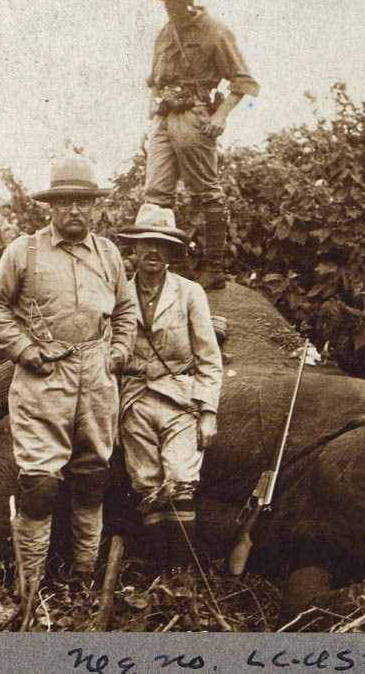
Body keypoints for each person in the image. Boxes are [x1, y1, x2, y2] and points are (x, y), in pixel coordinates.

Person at [0, 153, 137, 591]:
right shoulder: (24, 251)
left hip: (97, 376)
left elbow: (126, 310)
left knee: (91, 478)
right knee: (40, 486)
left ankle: (84, 574)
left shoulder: (108, 255)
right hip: (44, 377)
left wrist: (118, 351)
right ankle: (30, 584)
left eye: (83, 202)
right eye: (65, 201)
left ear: (95, 206)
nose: (74, 210)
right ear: (50, 206)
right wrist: (24, 349)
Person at [116, 203, 223, 573]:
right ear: (134, 248)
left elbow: (209, 357)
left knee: (180, 482)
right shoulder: (118, 295)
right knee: (147, 485)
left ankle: (184, 576)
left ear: (171, 251)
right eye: (147, 243)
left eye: (162, 245)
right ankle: (159, 574)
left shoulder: (190, 293)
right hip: (133, 401)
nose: (153, 252)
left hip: (180, 399)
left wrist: (208, 412)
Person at [144, 0, 261, 290]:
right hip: (164, 117)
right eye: (166, 0)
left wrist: (220, 116)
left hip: (195, 115)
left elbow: (244, 81)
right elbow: (154, 82)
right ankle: (179, 269)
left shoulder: (214, 31)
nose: (172, 6)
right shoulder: (165, 33)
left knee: (206, 192)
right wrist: (150, 122)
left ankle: (213, 267)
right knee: (155, 195)